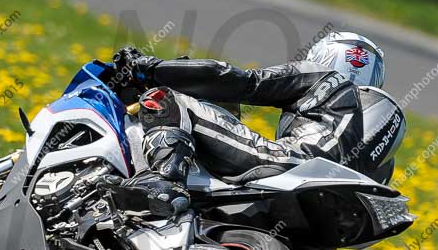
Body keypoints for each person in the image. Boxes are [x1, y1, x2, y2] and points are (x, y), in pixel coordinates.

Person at [111, 32, 406, 217]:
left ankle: (164, 180)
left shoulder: (325, 78)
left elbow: (238, 81)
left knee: (163, 98)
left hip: (289, 165)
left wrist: (149, 67)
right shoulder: (384, 150)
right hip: (317, 220)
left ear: (324, 55)